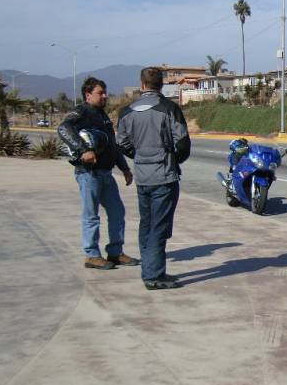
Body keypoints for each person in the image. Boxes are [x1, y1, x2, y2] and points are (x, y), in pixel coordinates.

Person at [116, 67, 191, 290]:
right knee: (159, 227)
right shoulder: (169, 109)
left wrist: (139, 156)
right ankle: (153, 275)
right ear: (162, 84)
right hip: (164, 176)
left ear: (142, 84)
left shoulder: (126, 112)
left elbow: (122, 143)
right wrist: (172, 159)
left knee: (147, 223)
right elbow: (183, 142)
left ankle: (152, 268)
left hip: (142, 176)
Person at [58, 76, 139, 270]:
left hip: (106, 174)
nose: (104, 96)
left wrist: (125, 168)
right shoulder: (81, 112)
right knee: (91, 215)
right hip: (89, 174)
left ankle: (115, 252)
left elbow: (113, 145)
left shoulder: (103, 116)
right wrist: (82, 150)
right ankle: (92, 255)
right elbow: (63, 128)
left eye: (105, 92)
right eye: (100, 93)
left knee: (117, 212)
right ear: (88, 95)